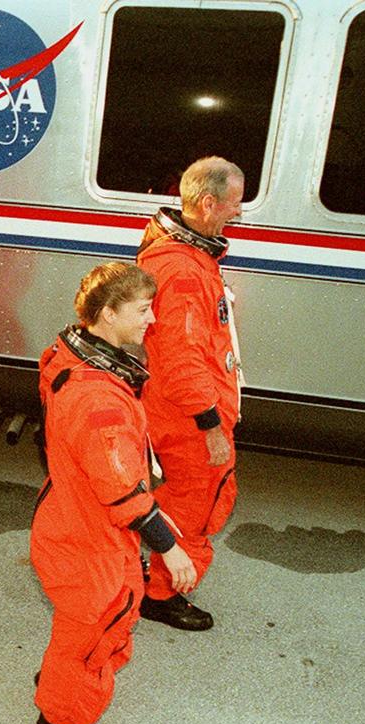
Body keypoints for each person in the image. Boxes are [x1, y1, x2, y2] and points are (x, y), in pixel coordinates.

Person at [31, 262, 197, 724]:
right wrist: (171, 552)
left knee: (89, 622)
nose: (152, 320)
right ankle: (60, 718)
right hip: (87, 534)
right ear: (106, 314)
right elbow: (121, 486)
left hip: (77, 517)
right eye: (143, 310)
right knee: (99, 620)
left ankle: (65, 668)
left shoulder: (72, 357)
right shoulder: (96, 396)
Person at [135, 157, 245, 631]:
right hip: (187, 412)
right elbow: (180, 358)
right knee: (195, 500)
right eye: (234, 205)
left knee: (188, 497)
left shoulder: (188, 256)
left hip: (186, 403)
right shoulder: (180, 268)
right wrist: (209, 424)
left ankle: (153, 577)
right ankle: (160, 593)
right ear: (207, 203)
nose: (237, 214)